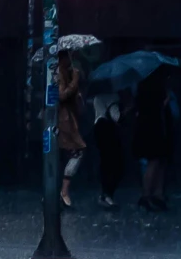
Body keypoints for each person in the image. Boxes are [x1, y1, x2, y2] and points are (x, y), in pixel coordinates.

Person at [134, 66, 177, 212]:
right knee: (155, 160)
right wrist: (166, 99)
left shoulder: (143, 87)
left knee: (159, 161)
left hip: (155, 127)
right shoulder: (152, 89)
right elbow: (155, 108)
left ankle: (156, 194)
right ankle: (147, 195)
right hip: (155, 128)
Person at [55, 54, 87, 208]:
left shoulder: (64, 72)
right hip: (63, 120)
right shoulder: (60, 73)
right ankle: (64, 190)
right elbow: (61, 95)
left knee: (69, 153)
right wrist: (75, 80)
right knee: (77, 151)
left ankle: (61, 190)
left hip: (68, 118)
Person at [92, 91, 129, 208]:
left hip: (99, 127)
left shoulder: (97, 96)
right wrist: (128, 108)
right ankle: (107, 194)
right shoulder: (112, 97)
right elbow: (116, 117)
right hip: (107, 130)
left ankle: (105, 193)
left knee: (106, 162)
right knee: (115, 164)